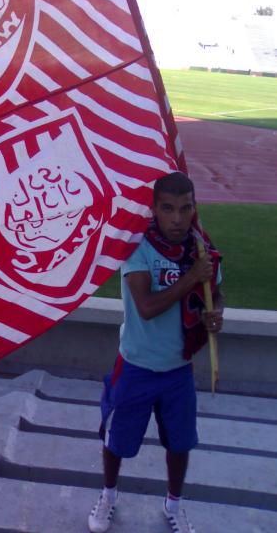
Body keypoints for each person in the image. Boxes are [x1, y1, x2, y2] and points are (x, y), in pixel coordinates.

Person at [88, 171, 223, 533]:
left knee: (180, 443)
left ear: (194, 208)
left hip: (179, 368)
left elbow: (215, 293)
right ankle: (108, 496)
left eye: (185, 208)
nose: (177, 218)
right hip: (136, 365)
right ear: (154, 208)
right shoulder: (138, 247)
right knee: (117, 441)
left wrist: (215, 315)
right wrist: (191, 278)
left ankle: (173, 504)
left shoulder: (200, 248)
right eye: (168, 208)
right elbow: (147, 307)